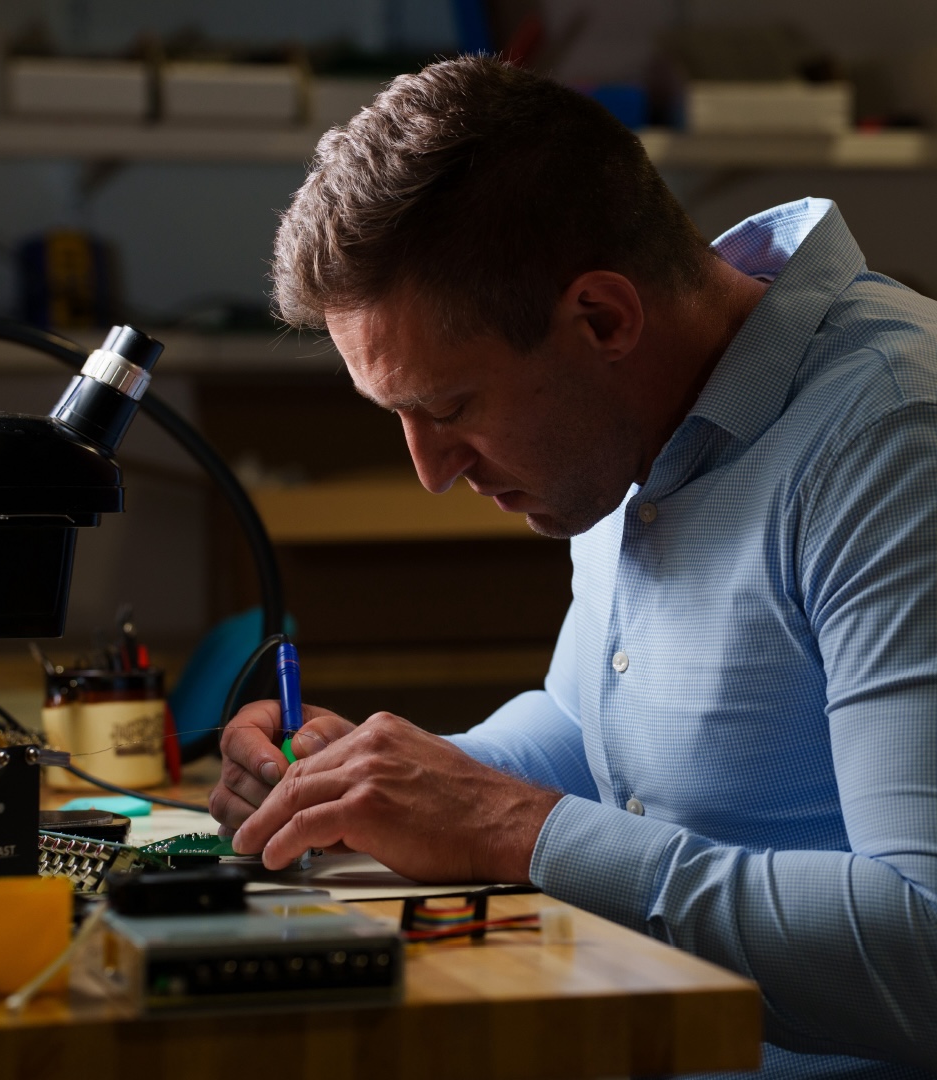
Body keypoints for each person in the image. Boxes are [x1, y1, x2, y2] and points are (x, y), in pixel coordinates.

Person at [209, 55, 937, 1078]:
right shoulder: (639, 417)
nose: (431, 471)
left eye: (450, 408)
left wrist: (511, 828)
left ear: (602, 319)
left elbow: (923, 945)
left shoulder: (896, 438)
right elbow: (604, 738)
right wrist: (376, 782)